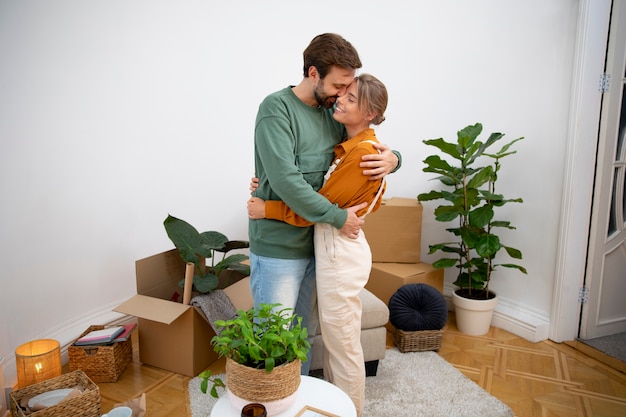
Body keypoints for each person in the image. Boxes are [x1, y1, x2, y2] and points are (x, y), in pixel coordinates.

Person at [248, 33, 400, 377]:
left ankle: (294, 402)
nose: (341, 95)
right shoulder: (276, 109)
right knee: (273, 340)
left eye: (348, 89)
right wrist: (337, 217)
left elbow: (358, 149)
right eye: (338, 85)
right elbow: (287, 181)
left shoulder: (333, 114)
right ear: (313, 73)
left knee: (300, 337)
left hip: (316, 245)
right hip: (279, 247)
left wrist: (394, 159)